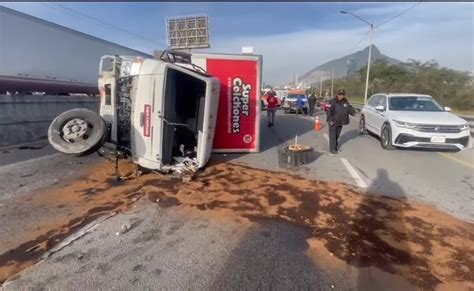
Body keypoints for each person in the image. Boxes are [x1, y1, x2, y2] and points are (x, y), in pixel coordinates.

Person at [327, 89, 356, 155]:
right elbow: (328, 111)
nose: (341, 96)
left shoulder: (345, 102)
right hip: (333, 122)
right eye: (339, 95)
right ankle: (332, 149)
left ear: (344, 95)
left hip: (340, 122)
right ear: (337, 95)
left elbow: (349, 108)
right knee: (332, 136)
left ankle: (335, 147)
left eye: (342, 95)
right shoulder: (332, 101)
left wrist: (353, 112)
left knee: (337, 135)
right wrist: (330, 120)